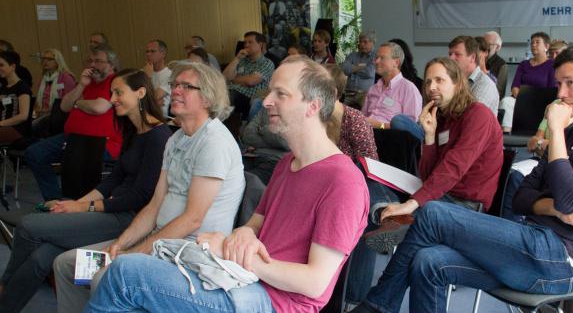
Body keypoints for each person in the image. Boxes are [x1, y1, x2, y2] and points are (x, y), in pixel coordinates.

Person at [351, 44, 573, 313]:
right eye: (559, 83)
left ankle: (377, 305)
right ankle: (380, 303)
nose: (560, 94)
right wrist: (555, 208)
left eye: (571, 83)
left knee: (432, 213)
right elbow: (522, 198)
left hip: (561, 262)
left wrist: (554, 131)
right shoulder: (572, 134)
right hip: (533, 244)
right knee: (428, 262)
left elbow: (571, 198)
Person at [87, 55, 369, 313]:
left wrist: (234, 254)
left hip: (272, 301)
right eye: (270, 91)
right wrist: (244, 235)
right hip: (241, 279)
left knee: (125, 274)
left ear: (313, 106)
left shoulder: (342, 182)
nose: (267, 100)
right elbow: (255, 224)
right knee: (127, 288)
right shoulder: (288, 164)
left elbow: (315, 283)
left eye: (280, 94)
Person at [52, 61, 244, 312]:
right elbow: (154, 205)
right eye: (175, 84)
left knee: (104, 276)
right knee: (66, 264)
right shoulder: (176, 138)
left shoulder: (214, 142)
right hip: (160, 239)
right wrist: (122, 244)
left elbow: (192, 220)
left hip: (190, 251)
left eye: (186, 86)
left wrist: (135, 253)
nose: (175, 90)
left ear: (207, 98)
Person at [0, 69, 170, 312]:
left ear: (140, 93)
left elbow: (141, 196)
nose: (112, 99)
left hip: (131, 220)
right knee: (42, 257)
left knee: (28, 226)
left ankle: (4, 286)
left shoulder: (158, 136)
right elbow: (112, 181)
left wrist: (83, 207)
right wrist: (76, 205)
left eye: (118, 93)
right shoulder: (133, 131)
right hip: (112, 210)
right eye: (112, 93)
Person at [347, 57, 504, 304]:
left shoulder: (478, 115)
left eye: (440, 80)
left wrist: (411, 204)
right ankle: (357, 296)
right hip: (440, 196)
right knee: (362, 188)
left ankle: (399, 225)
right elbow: (429, 175)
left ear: (457, 83)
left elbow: (453, 169)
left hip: (465, 207)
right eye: (429, 81)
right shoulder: (443, 117)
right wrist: (429, 138)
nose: (431, 87)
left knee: (405, 220)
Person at [25, 45, 123, 202]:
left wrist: (78, 103)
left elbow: (99, 107)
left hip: (102, 142)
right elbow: (64, 106)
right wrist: (82, 85)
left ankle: (81, 203)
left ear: (112, 64)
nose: (92, 65)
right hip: (73, 138)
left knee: (75, 160)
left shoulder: (117, 81)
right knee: (35, 153)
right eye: (90, 61)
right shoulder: (89, 82)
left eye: (98, 61)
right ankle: (55, 200)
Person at [500, 32, 557, 132]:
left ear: (546, 46)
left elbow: (552, 90)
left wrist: (531, 101)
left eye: (537, 42)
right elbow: (515, 86)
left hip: (540, 103)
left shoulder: (551, 65)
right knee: (506, 101)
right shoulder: (524, 64)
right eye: (532, 43)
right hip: (520, 100)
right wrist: (523, 100)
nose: (533, 45)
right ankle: (507, 135)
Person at [361, 42, 421, 130]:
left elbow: (411, 128)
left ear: (396, 63)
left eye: (382, 58)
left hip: (389, 138)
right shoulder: (373, 88)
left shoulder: (408, 89)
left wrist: (381, 125)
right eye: (377, 57)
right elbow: (363, 116)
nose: (376, 61)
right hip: (366, 133)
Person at [324, 64, 378, 161]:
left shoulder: (354, 119)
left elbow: (369, 163)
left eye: (315, 87)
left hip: (348, 174)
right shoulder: (312, 115)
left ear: (333, 92)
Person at [224, 31, 275, 116]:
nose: (246, 45)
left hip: (248, 97)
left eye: (250, 42)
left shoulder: (267, 63)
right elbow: (225, 77)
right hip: (230, 92)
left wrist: (233, 79)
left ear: (260, 45)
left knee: (228, 95)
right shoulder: (241, 60)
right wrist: (237, 58)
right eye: (245, 43)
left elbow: (251, 81)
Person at [447, 35, 499, 114]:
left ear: (473, 58)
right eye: (450, 54)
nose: (451, 58)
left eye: (457, 54)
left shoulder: (485, 85)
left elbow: (473, 117)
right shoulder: (453, 81)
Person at [32, 48, 77, 137]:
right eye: (44, 59)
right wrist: (38, 110)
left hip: (60, 113)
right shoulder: (44, 78)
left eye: (49, 59)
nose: (45, 62)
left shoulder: (65, 77)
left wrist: (49, 110)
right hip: (43, 112)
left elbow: (71, 101)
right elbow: (39, 99)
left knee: (35, 126)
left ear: (57, 61)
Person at [0, 51, 33, 145]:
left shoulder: (22, 87)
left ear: (13, 66)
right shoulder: (3, 88)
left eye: (2, 65)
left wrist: (1, 123)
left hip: (17, 131)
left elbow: (23, 116)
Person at [143, 39, 172, 117]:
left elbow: (153, 97)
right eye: (147, 51)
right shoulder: (143, 72)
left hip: (160, 119)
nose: (148, 54)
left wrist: (147, 78)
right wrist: (154, 102)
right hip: (144, 116)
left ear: (163, 54)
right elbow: (136, 98)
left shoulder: (170, 75)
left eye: (152, 51)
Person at [484, 31, 508, 98]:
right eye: (482, 43)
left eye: (487, 44)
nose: (483, 47)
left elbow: (499, 94)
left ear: (497, 48)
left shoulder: (502, 65)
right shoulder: (475, 59)